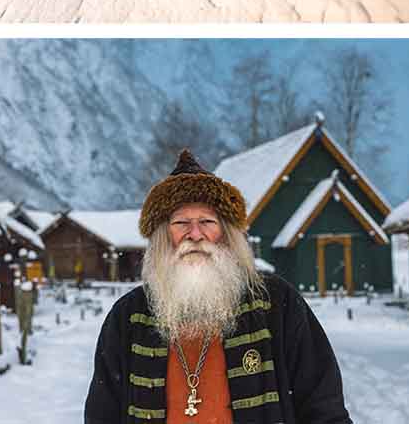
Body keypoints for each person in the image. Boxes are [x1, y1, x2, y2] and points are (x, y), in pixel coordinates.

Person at [84, 150, 352, 424]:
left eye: (207, 222)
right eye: (181, 223)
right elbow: (101, 415)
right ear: (164, 235)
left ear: (226, 233)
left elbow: (324, 410)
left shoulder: (277, 305)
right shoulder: (128, 317)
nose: (196, 235)